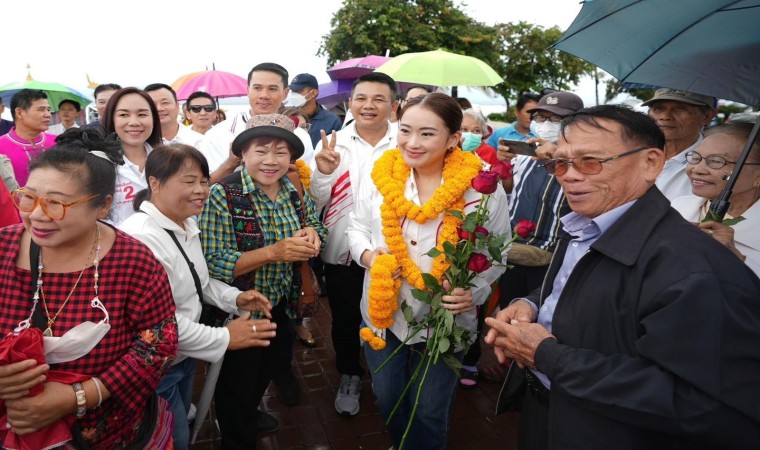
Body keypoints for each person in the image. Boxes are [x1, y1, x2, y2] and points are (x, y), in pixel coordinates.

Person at [485, 104, 760, 450]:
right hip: (550, 412)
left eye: (590, 161)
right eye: (560, 162)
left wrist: (547, 356)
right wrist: (531, 304)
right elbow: (580, 281)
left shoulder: (696, 271)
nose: (569, 176)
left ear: (651, 163)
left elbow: (703, 403)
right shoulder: (584, 224)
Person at [346, 93, 509, 449]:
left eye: (427, 133)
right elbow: (355, 227)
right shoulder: (381, 176)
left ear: (454, 138)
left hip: (446, 321)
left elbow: (498, 251)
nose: (412, 143)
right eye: (405, 130)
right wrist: (369, 256)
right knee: (387, 397)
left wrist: (474, 291)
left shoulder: (481, 189)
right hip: (384, 313)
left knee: (430, 409)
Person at [1, 127, 178, 449]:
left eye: (56, 203)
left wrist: (79, 395)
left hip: (109, 433)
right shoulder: (3, 249)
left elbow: (158, 345)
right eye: (29, 197)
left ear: (103, 206)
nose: (37, 215)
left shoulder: (133, 261)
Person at [119, 144, 277, 449]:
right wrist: (225, 337)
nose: (201, 190)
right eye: (189, 181)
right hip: (156, 365)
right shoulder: (141, 238)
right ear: (154, 183)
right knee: (173, 439)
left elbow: (197, 280)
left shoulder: (185, 222)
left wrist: (235, 297)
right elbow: (157, 323)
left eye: (204, 181)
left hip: (183, 354)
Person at [198, 114, 326, 448]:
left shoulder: (292, 187)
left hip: (281, 302)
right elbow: (212, 261)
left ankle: (250, 414)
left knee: (269, 367)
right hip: (240, 309)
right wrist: (274, 252)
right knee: (236, 383)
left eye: (281, 152)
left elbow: (313, 221)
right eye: (261, 151)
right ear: (243, 154)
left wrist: (313, 232)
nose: (271, 161)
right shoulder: (223, 194)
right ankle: (237, 437)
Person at [311, 71, 399, 416]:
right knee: (345, 318)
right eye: (361, 98)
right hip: (343, 251)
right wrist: (323, 172)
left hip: (393, 253)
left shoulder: (405, 142)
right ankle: (350, 374)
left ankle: (387, 376)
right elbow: (317, 200)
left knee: (391, 315)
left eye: (379, 99)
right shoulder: (334, 142)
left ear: (394, 106)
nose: (368, 105)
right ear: (350, 103)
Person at [671, 121, 760, 277]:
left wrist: (739, 261)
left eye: (716, 161)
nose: (697, 169)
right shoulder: (676, 207)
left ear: (757, 177)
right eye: (695, 158)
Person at [205, 62, 315, 176]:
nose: (264, 95)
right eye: (257, 88)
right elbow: (205, 184)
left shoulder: (300, 136)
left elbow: (306, 180)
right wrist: (230, 164)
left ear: (285, 93)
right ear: (248, 90)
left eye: (272, 89)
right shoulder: (218, 134)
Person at [642, 88, 718, 200]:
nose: (665, 116)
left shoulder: (717, 166)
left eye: (679, 109)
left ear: (707, 116)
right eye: (658, 108)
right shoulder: (633, 153)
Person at [102, 87, 163, 225]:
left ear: (154, 118)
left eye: (142, 114)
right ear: (112, 119)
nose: (134, 122)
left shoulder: (169, 160)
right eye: (124, 115)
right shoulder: (98, 164)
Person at [144, 83, 224, 171]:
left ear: (177, 106)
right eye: (153, 104)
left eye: (165, 103)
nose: (159, 108)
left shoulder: (201, 141)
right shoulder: (140, 144)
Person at [0, 90, 56, 187]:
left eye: (48, 109)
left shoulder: (58, 142)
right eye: (41, 109)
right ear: (19, 113)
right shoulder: (1, 147)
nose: (48, 115)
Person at [286, 73, 343, 147]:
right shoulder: (287, 117)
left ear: (313, 93)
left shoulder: (332, 121)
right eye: (293, 91)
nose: (294, 95)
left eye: (299, 90)